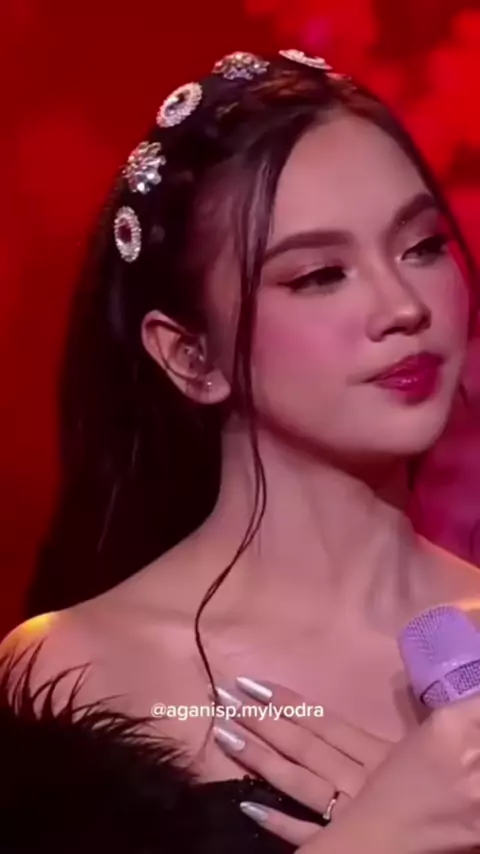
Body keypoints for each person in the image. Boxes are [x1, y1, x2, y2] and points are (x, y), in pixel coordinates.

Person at [4, 48, 480, 853]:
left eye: (423, 246)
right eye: (321, 274)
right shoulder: (79, 673)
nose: (404, 305)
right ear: (191, 355)